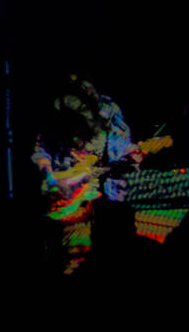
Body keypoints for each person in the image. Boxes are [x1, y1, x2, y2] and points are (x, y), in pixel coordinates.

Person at [31, 74, 145, 266]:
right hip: (68, 209)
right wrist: (53, 178)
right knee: (67, 256)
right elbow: (42, 152)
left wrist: (132, 156)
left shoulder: (106, 122)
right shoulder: (55, 116)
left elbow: (128, 153)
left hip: (100, 204)